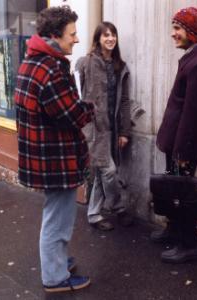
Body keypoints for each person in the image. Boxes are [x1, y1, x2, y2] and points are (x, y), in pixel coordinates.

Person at [15, 6, 94, 292]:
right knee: (58, 220)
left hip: (44, 155)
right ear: (54, 36)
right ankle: (55, 277)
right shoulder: (50, 69)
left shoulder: (33, 61)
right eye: (72, 34)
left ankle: (57, 262)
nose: (76, 39)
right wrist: (90, 106)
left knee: (56, 214)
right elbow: (74, 114)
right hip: (55, 159)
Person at [150, 7, 197, 263]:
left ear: (194, 32)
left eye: (178, 28)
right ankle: (173, 229)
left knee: (184, 193)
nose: (173, 34)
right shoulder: (193, 58)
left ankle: (189, 243)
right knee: (174, 190)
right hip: (177, 142)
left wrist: (182, 152)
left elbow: (193, 115)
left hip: (184, 145)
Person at [76, 22, 133, 231]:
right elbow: (81, 96)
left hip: (114, 128)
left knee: (102, 172)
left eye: (113, 35)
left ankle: (93, 214)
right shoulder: (88, 63)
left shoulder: (120, 66)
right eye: (106, 35)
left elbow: (125, 101)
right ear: (98, 39)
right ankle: (119, 208)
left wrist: (125, 131)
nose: (110, 39)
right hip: (95, 128)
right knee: (108, 170)